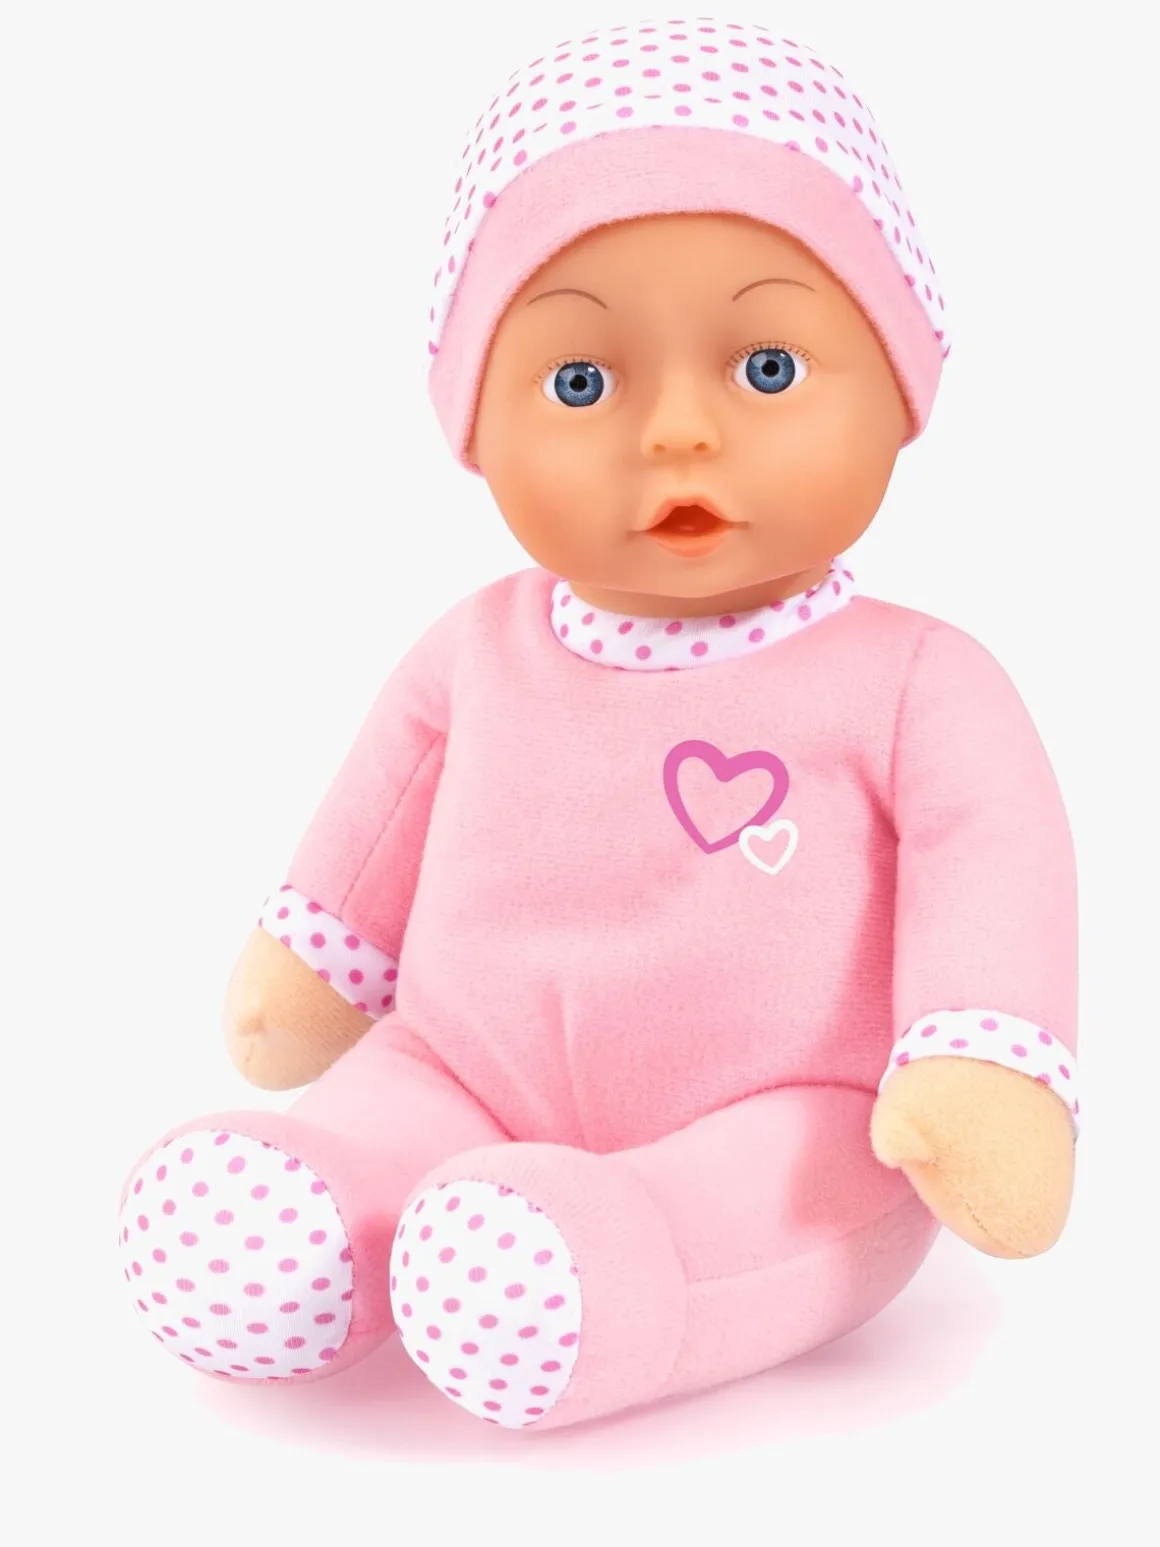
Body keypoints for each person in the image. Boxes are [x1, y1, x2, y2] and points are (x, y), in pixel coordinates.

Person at [119, 17, 1079, 1432]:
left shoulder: (918, 682)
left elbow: (995, 870)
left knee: (730, 1199)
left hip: (790, 1114)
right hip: (463, 1068)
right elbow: (371, 831)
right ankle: (307, 1232)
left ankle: (594, 1278)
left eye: (766, 368)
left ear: (900, 385)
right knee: (349, 1151)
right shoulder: (474, 650)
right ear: (477, 426)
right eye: (582, 382)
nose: (677, 432)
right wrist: (303, 972)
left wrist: (981, 1070)